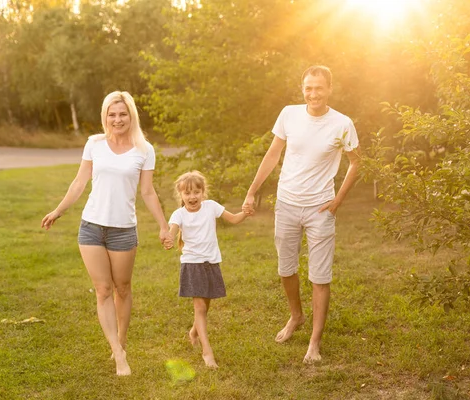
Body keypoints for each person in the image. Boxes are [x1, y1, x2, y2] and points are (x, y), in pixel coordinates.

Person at [41, 91, 170, 376]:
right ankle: (118, 353)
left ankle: (121, 341)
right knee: (103, 290)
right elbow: (79, 182)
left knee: (123, 288)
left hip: (123, 230)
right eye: (112, 114)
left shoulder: (144, 149)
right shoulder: (94, 144)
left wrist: (163, 225)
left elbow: (147, 192)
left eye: (122, 114)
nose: (117, 119)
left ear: (131, 115)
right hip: (91, 227)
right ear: (105, 117)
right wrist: (58, 211)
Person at [242, 65, 360, 363]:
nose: (313, 93)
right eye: (308, 87)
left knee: (320, 277)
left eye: (319, 87)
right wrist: (252, 190)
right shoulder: (289, 114)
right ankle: (296, 316)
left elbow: (356, 163)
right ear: (302, 88)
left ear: (329, 89)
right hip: (287, 204)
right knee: (286, 269)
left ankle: (314, 343)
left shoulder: (342, 123)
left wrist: (337, 201)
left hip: (321, 208)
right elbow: (273, 155)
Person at [164, 171, 247, 369]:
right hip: (192, 263)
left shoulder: (211, 207)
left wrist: (246, 212)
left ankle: (193, 332)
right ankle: (207, 352)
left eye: (196, 192)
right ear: (181, 195)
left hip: (211, 263)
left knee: (206, 306)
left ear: (203, 193)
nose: (192, 197)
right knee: (200, 308)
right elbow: (172, 230)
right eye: (187, 193)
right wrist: (167, 238)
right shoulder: (179, 214)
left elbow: (234, 219)